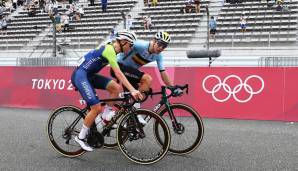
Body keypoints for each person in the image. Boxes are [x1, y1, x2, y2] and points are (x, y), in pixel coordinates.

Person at [71, 30, 143, 152]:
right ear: (124, 42)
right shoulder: (110, 50)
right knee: (96, 107)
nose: (131, 48)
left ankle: (105, 116)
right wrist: (132, 90)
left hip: (90, 75)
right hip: (80, 76)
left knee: (115, 88)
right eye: (130, 45)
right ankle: (81, 137)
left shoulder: (113, 48)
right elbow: (118, 73)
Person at [110, 31, 183, 123]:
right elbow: (119, 44)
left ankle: (126, 120)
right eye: (160, 44)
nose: (161, 48)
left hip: (129, 74)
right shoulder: (140, 45)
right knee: (147, 79)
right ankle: (136, 113)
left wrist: (172, 87)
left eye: (164, 46)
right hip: (118, 67)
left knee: (143, 91)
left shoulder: (158, 56)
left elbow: (163, 72)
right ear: (154, 40)